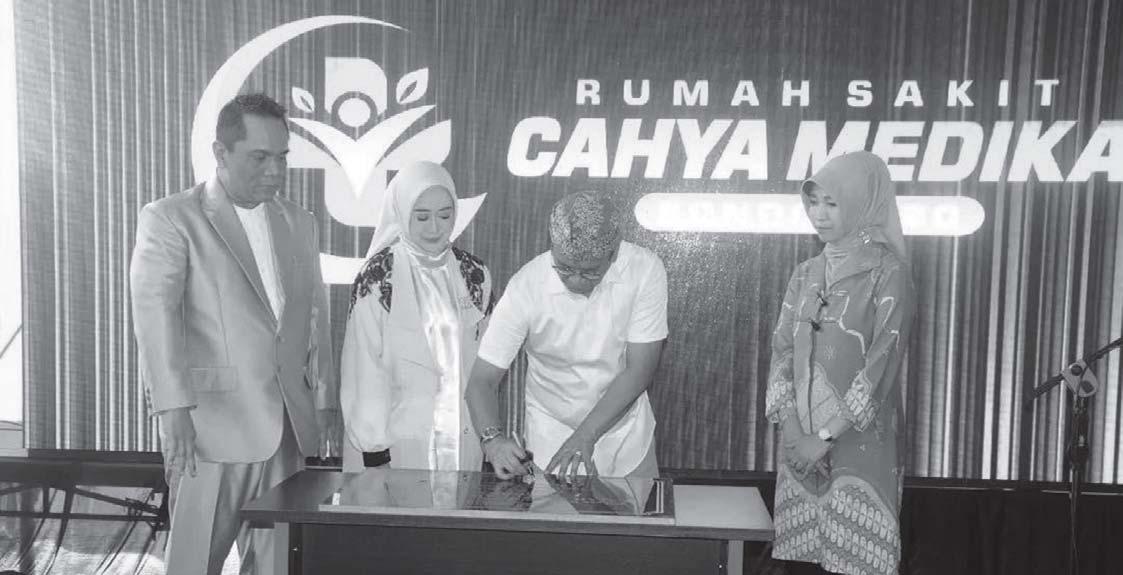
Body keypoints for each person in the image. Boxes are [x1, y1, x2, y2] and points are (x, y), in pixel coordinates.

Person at [130, 93, 338, 575]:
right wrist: (172, 410)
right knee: (193, 563)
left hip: (288, 428)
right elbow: (155, 317)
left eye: (282, 157)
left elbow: (314, 313)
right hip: (208, 431)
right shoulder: (171, 218)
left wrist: (324, 398)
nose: (275, 171)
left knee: (278, 565)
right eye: (259, 157)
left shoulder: (300, 222)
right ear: (220, 153)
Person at [764, 151, 916, 575]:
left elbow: (881, 368)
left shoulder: (888, 273)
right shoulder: (805, 273)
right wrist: (793, 432)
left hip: (858, 445)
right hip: (799, 447)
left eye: (832, 203)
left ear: (862, 203)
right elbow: (781, 352)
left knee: (855, 563)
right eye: (813, 202)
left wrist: (823, 438)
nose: (819, 214)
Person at [465, 190, 668, 480]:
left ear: (613, 254)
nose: (575, 280)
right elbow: (481, 380)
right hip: (552, 435)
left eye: (589, 273)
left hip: (626, 433)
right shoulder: (526, 286)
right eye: (564, 268)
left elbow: (640, 370)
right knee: (557, 509)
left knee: (637, 509)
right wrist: (492, 440)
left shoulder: (645, 270)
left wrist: (586, 435)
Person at [340, 161, 494, 473]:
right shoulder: (378, 275)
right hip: (396, 443)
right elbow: (364, 369)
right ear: (400, 212)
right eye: (422, 216)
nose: (434, 228)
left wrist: (490, 435)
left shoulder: (474, 273)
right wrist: (375, 454)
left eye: (445, 215)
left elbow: (485, 364)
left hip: (463, 439)